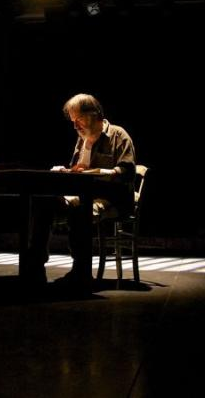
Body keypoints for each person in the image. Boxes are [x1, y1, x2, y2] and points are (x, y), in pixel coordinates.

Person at [23, 93, 136, 292]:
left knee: (80, 210)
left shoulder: (118, 135)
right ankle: (35, 268)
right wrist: (67, 171)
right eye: (73, 121)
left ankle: (81, 272)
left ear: (95, 114)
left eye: (79, 119)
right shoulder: (82, 139)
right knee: (42, 201)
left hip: (112, 198)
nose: (75, 126)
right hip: (82, 195)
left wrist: (102, 173)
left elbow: (128, 172)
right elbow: (77, 171)